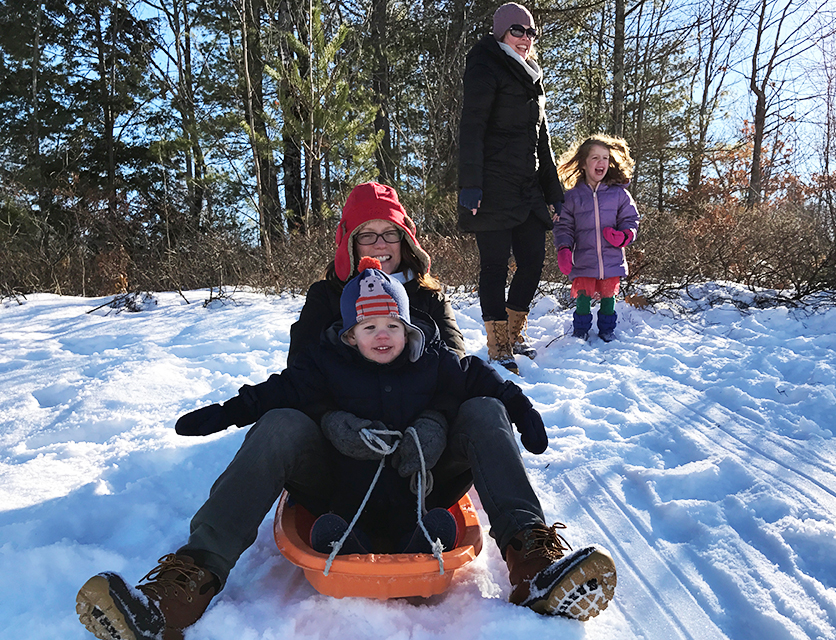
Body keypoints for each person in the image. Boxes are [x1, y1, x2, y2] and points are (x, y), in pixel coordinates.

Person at [75, 259, 618, 640]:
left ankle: (531, 561)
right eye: (368, 325)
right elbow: (275, 393)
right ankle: (185, 586)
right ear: (350, 331)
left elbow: (490, 383)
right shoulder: (324, 364)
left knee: (484, 411)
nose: (381, 335)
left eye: (391, 325)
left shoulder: (436, 360)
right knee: (282, 421)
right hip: (339, 490)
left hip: (419, 488)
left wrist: (520, 413)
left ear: (407, 325)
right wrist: (223, 413)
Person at [458, 2, 564, 373]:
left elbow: (543, 140)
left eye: (531, 32)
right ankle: (498, 343)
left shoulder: (533, 76)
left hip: (527, 186)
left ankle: (515, 331)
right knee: (494, 265)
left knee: (533, 261)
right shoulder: (486, 65)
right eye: (517, 31)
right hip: (491, 185)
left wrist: (554, 192)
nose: (525, 38)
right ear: (501, 32)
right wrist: (470, 185)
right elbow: (472, 127)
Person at [289, 181, 465, 364]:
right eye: (367, 235)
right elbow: (301, 366)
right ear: (351, 245)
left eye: (390, 233)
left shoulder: (430, 298)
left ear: (404, 241)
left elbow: (456, 366)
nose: (381, 244)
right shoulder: (325, 297)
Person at [554, 135, 640, 341]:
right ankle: (580, 330)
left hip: (611, 257)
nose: (601, 163)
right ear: (583, 163)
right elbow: (563, 225)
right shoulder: (572, 197)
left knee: (609, 298)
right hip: (583, 258)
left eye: (605, 158)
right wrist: (564, 249)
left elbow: (631, 219)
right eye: (595, 158)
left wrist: (625, 235)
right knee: (583, 297)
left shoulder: (619, 194)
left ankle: (607, 330)